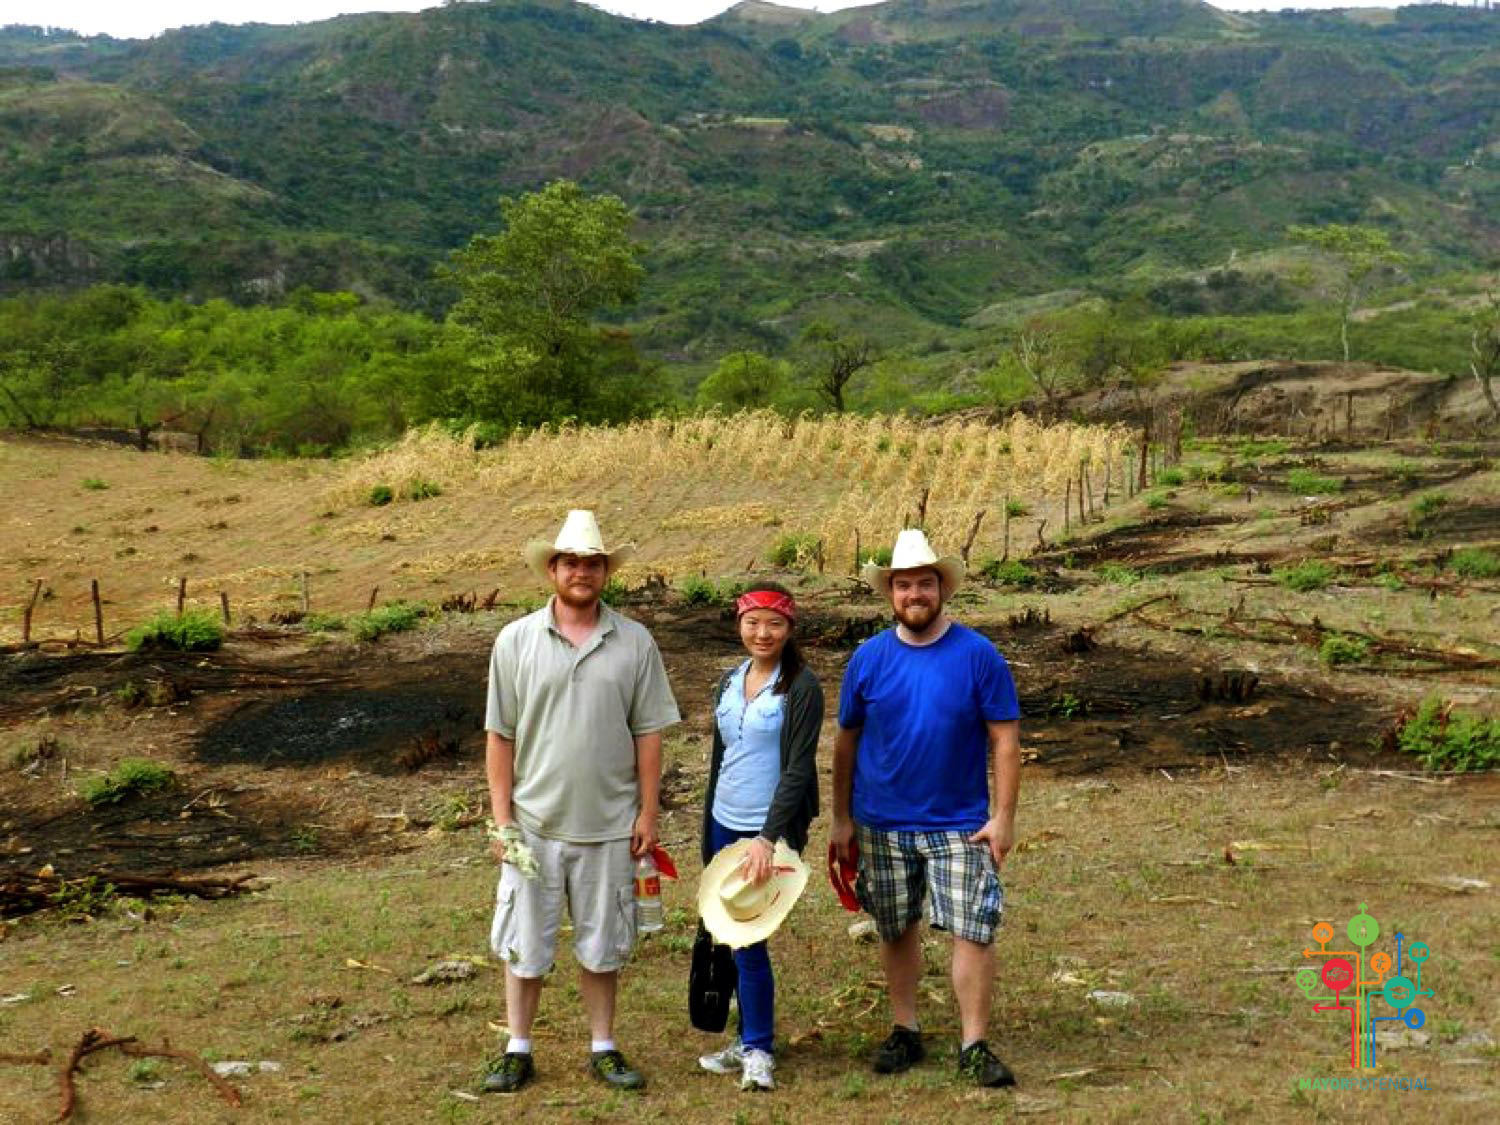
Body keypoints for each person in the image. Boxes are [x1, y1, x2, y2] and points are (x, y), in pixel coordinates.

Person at [481, 510, 680, 1095]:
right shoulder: (515, 640)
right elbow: (501, 736)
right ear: (552, 569)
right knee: (525, 944)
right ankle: (518, 1047)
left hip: (610, 824)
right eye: (571, 562)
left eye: (592, 563)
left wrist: (647, 813)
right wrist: (502, 822)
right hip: (534, 825)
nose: (581, 572)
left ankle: (604, 1045)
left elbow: (648, 734)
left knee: (603, 944)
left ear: (604, 571)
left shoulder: (634, 641)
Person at [830, 528, 1023, 1088]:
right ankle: (905, 1028)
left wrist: (1004, 817)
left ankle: (974, 1043)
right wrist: (842, 818)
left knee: (973, 929)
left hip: (961, 823)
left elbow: (1005, 740)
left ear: (942, 590)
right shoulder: (868, 659)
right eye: (904, 584)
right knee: (895, 927)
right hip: (881, 822)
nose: (915, 594)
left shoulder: (978, 655)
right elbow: (846, 741)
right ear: (889, 592)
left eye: (924, 584)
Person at [696, 582, 823, 1092]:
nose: (762, 632)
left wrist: (769, 837)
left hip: (763, 829)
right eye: (753, 622)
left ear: (790, 628)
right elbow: (719, 758)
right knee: (729, 934)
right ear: (739, 624)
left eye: (773, 623)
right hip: (724, 819)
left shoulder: (802, 687)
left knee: (748, 940)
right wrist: (707, 827)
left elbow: (797, 769)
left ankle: (759, 1050)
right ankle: (747, 1036)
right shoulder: (730, 680)